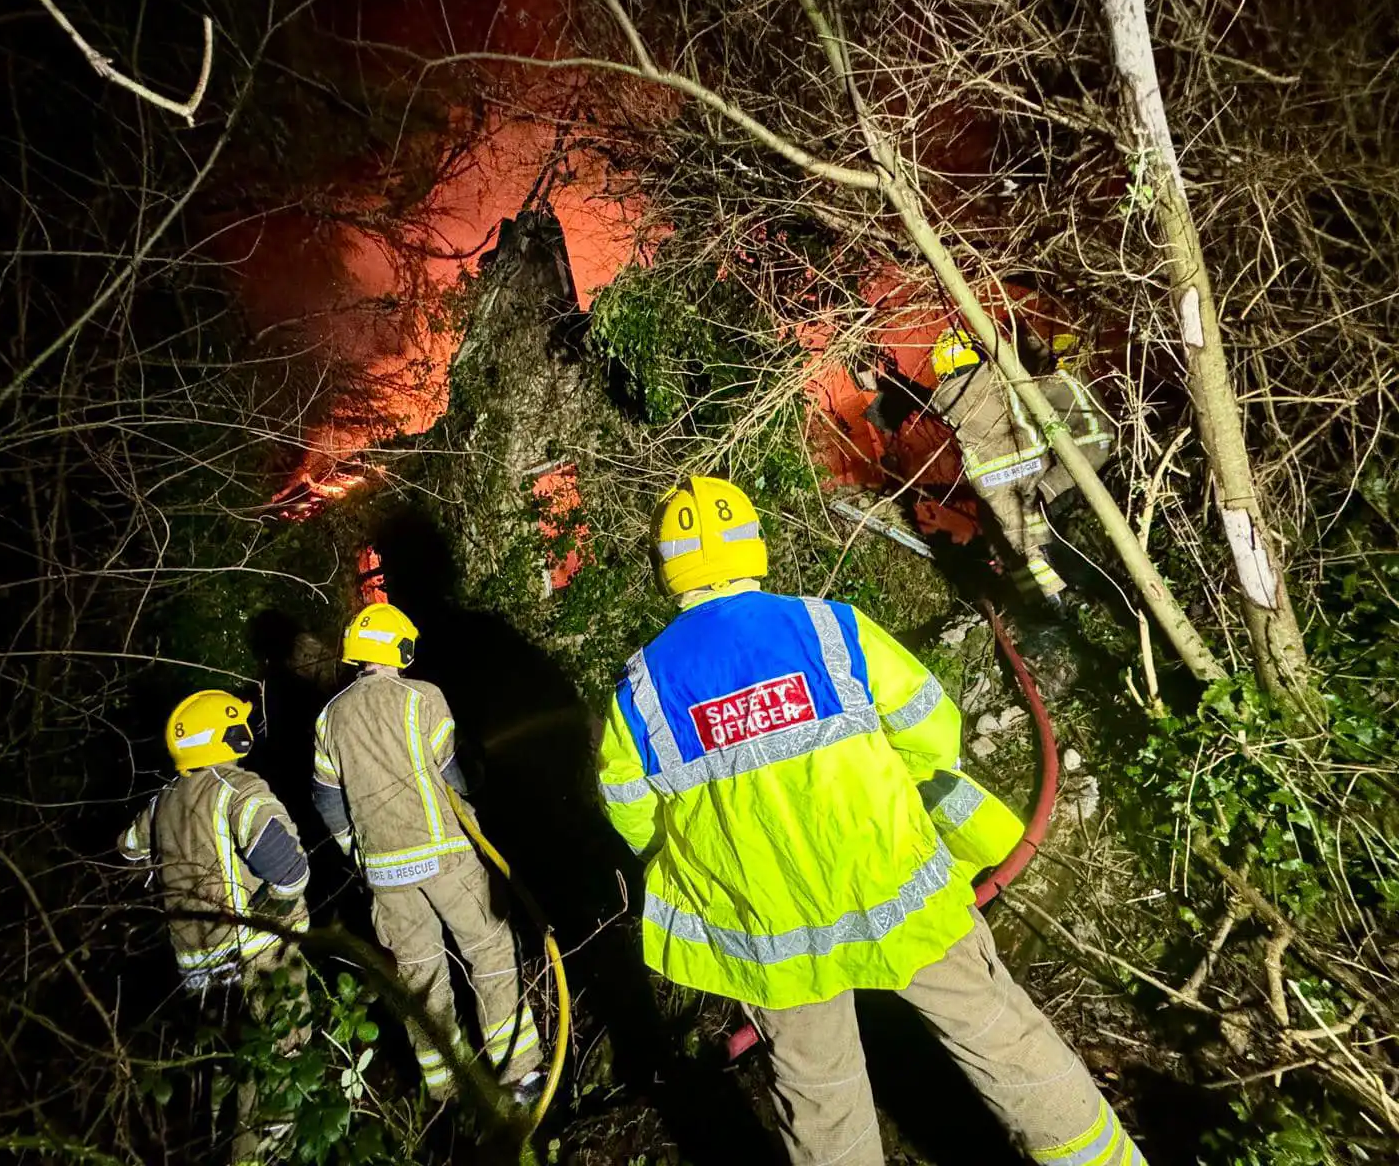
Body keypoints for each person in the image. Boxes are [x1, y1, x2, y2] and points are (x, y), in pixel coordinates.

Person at [596, 476, 1147, 1166]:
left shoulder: (643, 687)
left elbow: (633, 812)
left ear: (666, 568)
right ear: (754, 547)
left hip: (769, 925)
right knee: (995, 1032)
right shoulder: (829, 627)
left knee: (818, 1092)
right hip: (894, 884)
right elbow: (929, 726)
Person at [311, 601, 544, 1104]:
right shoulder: (422, 699)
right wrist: (475, 785)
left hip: (385, 875)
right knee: (490, 950)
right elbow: (454, 773)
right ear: (399, 648)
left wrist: (357, 851)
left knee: (420, 976)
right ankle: (519, 1074)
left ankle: (446, 1090)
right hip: (446, 856)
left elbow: (326, 799)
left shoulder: (330, 717)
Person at [119, 689, 312, 1166]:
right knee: (277, 1067)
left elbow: (127, 851)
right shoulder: (235, 788)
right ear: (227, 736)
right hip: (258, 959)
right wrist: (278, 908)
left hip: (198, 971)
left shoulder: (163, 802)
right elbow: (289, 868)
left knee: (223, 1074)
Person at [874, 327, 1114, 605]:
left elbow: (928, 401)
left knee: (1015, 535)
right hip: (1029, 459)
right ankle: (1078, 586)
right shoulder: (1000, 376)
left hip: (988, 478)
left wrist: (891, 381)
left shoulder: (943, 400)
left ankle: (1048, 599)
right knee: (1041, 522)